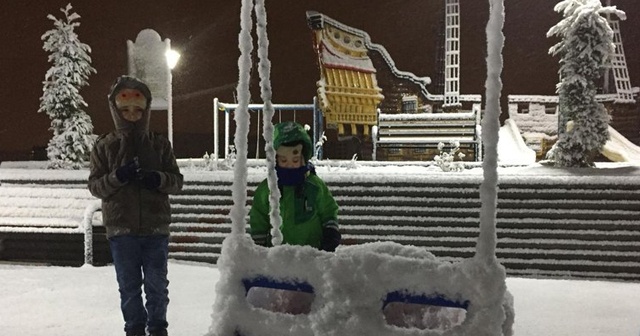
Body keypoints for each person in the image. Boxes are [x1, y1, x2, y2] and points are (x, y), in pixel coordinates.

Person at [88, 75, 183, 336]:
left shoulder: (159, 143)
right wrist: (118, 177)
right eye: (125, 109)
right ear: (115, 109)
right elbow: (95, 185)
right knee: (128, 286)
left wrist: (158, 179)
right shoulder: (105, 145)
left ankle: (157, 328)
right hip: (121, 230)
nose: (132, 114)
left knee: (156, 285)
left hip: (155, 229)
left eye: (137, 109)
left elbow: (177, 181)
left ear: (146, 109)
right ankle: (134, 329)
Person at [249, 121, 340, 251]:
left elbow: (328, 210)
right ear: (275, 160)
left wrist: (331, 233)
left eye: (295, 160)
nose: (290, 164)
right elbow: (259, 217)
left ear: (303, 158)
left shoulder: (314, 185)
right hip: (278, 259)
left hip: (312, 255)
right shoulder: (268, 188)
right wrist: (259, 245)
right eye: (284, 160)